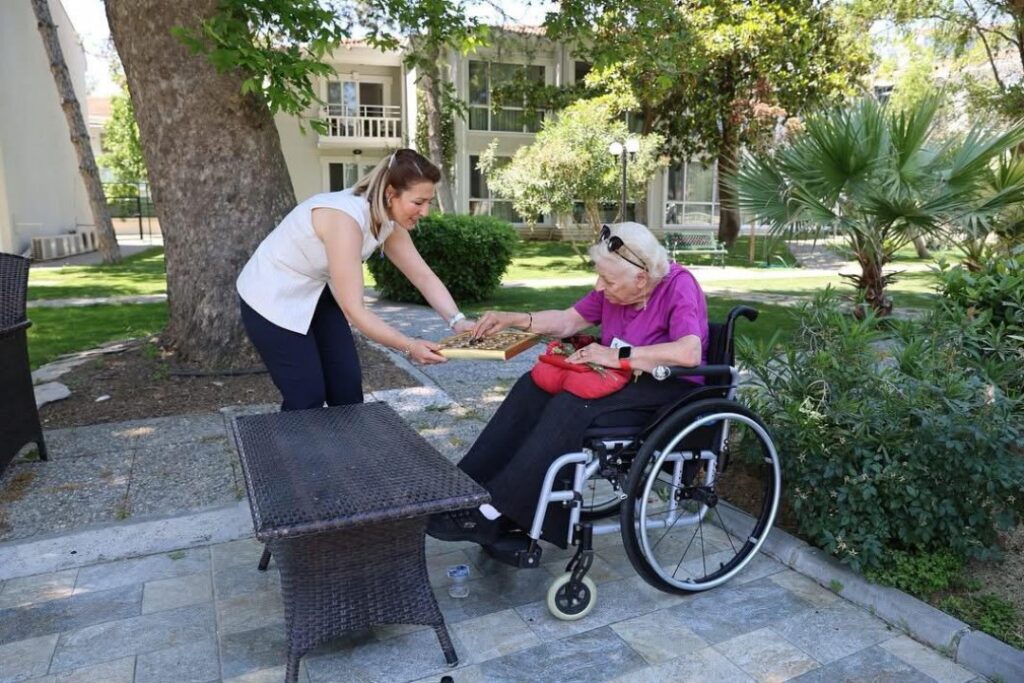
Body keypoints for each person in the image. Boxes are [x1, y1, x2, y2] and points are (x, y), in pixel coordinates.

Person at [427, 221, 709, 547]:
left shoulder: (679, 285)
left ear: (642, 277)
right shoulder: (617, 289)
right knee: (530, 388)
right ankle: (462, 490)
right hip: (619, 379)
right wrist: (514, 319)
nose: (599, 286)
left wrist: (617, 355)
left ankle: (494, 514)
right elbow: (567, 320)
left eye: (607, 279)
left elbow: (688, 352)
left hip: (666, 390)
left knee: (571, 405)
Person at [236, 148, 474, 411]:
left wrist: (457, 320)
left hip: (315, 291)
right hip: (269, 294)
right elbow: (354, 310)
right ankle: (294, 452)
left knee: (346, 387)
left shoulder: (386, 220)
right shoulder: (344, 220)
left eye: (429, 202)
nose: (425, 212)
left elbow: (423, 276)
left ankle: (344, 451)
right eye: (418, 203)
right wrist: (409, 346)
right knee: (306, 397)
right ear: (390, 193)